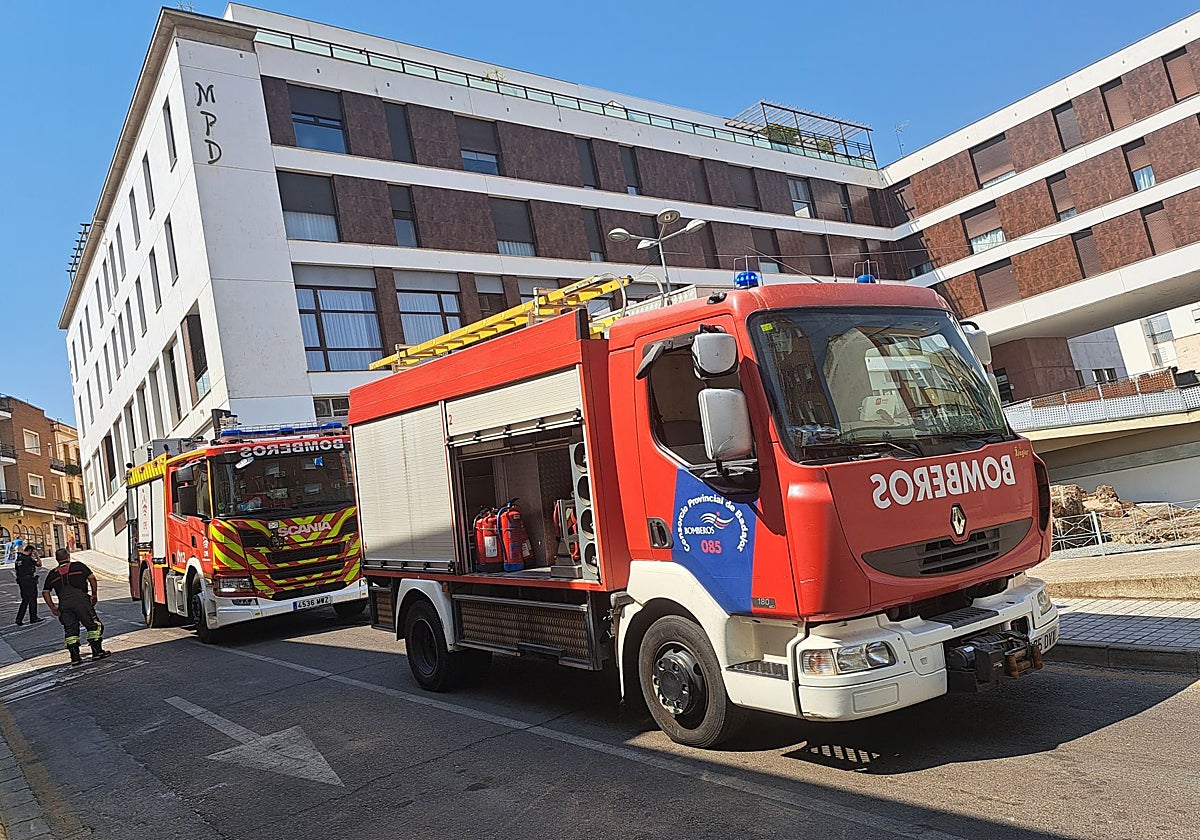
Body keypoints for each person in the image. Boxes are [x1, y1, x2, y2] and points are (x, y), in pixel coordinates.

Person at [41, 548, 110, 665]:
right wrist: (94, 594)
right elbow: (92, 578)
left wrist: (52, 607)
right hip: (81, 602)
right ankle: (97, 651)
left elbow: (45, 592)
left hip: (64, 605)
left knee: (70, 630)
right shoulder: (78, 566)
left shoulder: (53, 573)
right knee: (93, 626)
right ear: (68, 556)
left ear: (57, 559)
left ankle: (75, 657)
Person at [14, 543, 43, 625]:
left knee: (25, 599)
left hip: (21, 580)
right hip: (29, 580)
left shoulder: (18, 559)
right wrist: (37, 556)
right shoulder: (28, 558)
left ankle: (19, 618)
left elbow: (16, 571)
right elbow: (40, 564)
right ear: (31, 551)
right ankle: (33, 617)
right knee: (33, 598)